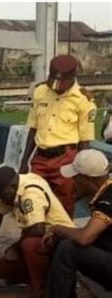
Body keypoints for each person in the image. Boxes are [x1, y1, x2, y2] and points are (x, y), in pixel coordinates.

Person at [0, 166, 75, 298]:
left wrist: (15, 247)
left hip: (60, 241)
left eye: (2, 196)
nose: (2, 200)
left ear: (12, 187)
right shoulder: (16, 187)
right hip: (44, 239)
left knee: (29, 245)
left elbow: (38, 229)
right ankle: (42, 278)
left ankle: (43, 296)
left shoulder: (31, 193)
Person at [19, 55, 97, 217]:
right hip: (40, 158)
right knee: (34, 202)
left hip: (66, 159)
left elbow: (84, 141)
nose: (56, 87)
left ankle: (60, 240)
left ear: (72, 77)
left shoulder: (84, 101)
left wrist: (81, 172)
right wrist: (24, 160)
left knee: (64, 207)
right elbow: (33, 129)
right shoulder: (40, 92)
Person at [39, 149, 112, 298]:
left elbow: (85, 238)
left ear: (87, 179)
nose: (72, 181)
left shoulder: (109, 198)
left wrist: (56, 228)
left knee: (68, 249)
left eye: (75, 177)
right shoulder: (104, 190)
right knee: (63, 242)